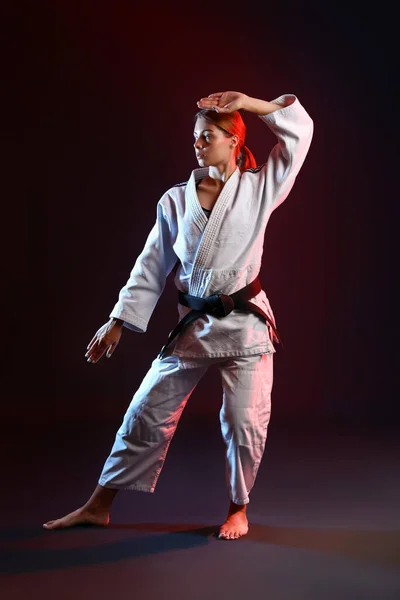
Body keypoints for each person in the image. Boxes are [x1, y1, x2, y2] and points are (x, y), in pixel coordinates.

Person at [43, 90, 314, 540]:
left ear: (233, 140)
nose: (197, 143)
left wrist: (253, 103)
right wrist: (118, 321)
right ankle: (98, 505)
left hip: (246, 327)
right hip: (196, 326)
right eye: (194, 136)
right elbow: (152, 264)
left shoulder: (259, 188)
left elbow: (299, 137)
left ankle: (238, 508)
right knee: (146, 410)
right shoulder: (175, 201)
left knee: (245, 423)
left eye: (207, 135)